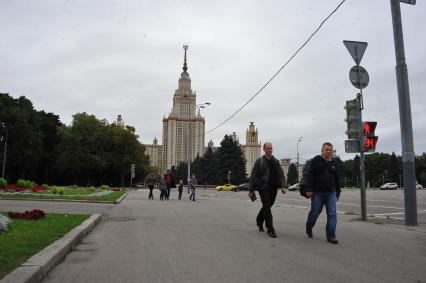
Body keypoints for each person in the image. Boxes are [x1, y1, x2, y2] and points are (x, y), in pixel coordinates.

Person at [305, 142, 341, 244]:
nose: (329, 151)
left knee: (332, 214)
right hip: (318, 193)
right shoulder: (316, 160)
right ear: (322, 150)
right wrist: (309, 189)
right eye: (327, 149)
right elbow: (310, 175)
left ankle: (331, 236)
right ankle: (309, 226)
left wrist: (338, 191)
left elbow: (337, 178)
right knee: (315, 213)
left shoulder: (334, 162)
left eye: (330, 150)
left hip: (331, 193)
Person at [249, 142, 286, 238]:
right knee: (266, 205)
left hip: (273, 188)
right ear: (264, 149)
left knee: (268, 206)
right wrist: (251, 190)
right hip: (263, 187)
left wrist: (283, 186)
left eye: (271, 148)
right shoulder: (259, 161)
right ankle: (270, 229)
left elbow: (281, 174)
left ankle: (259, 221)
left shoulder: (275, 161)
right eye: (268, 148)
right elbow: (253, 175)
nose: (269, 150)